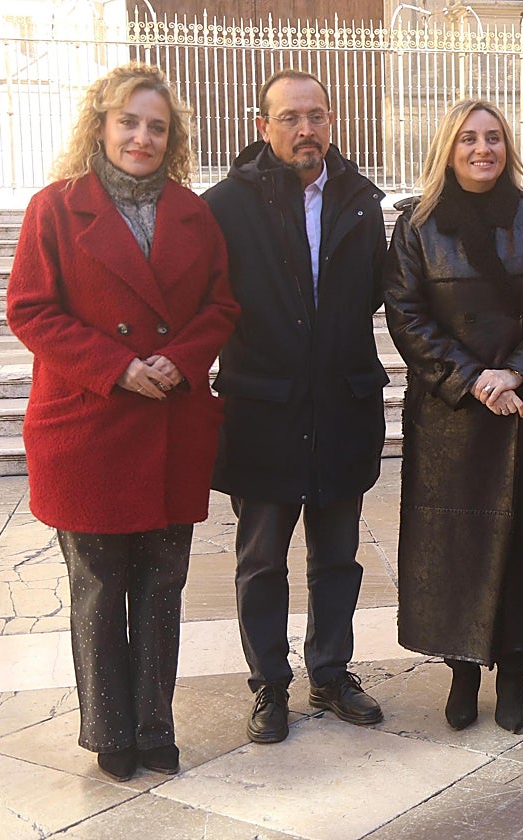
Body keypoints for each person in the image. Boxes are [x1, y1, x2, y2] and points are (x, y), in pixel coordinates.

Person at [6, 63, 238, 781]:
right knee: (101, 588)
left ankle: (154, 725)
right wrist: (116, 366)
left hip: (171, 422)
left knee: (163, 586)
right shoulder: (55, 207)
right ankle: (110, 730)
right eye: (129, 122)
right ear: (101, 125)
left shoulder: (194, 213)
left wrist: (178, 358)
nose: (142, 137)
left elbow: (221, 307)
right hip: (88, 425)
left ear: (172, 139)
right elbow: (30, 308)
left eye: (156, 127)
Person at [385, 99, 523, 734]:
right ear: (448, 148)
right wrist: (472, 379)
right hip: (452, 417)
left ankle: (518, 673)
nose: (482, 149)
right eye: (468, 138)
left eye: (493, 138)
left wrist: (516, 370)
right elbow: (406, 312)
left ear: (509, 147)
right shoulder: (417, 226)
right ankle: (463, 670)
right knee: (456, 547)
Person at [203, 69, 389, 743]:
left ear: (331, 121)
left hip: (342, 407)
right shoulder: (226, 206)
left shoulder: (362, 202)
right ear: (263, 127)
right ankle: (270, 685)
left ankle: (331, 672)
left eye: (316, 115)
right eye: (289, 118)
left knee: (338, 557)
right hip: (263, 413)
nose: (305, 129)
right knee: (261, 561)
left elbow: (373, 291)